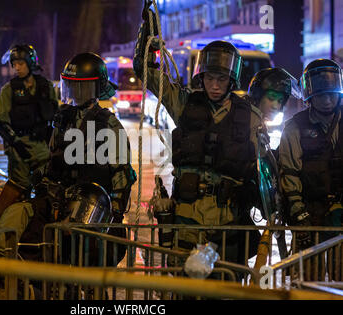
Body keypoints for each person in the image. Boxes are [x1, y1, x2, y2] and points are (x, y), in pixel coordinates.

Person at [133, 7, 262, 266]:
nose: (215, 85)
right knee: (184, 284)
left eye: (222, 79)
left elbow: (262, 169)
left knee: (225, 286)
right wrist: (147, 33)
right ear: (201, 77)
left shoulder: (250, 116)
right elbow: (146, 72)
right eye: (210, 77)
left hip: (227, 221)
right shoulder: (184, 104)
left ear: (231, 81)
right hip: (186, 217)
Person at [0, 52, 136, 266]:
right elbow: (51, 161)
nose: (76, 91)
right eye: (72, 85)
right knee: (15, 212)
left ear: (96, 88)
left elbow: (122, 174)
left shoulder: (108, 124)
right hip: (55, 198)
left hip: (88, 207)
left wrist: (114, 213)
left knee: (74, 254)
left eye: (82, 86)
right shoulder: (62, 120)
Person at [279, 59, 342, 250]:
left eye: (331, 94)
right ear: (310, 97)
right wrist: (298, 211)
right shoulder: (294, 126)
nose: (327, 101)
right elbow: (289, 172)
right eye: (321, 96)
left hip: (340, 214)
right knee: (306, 277)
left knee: (339, 277)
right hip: (309, 213)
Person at [247, 67, 302, 259]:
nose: (276, 106)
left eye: (280, 100)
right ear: (258, 95)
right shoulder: (246, 124)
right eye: (271, 98)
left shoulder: (258, 126)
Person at [0, 44, 58, 193]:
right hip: (19, 149)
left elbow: (56, 116)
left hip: (42, 148)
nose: (17, 68)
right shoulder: (9, 89)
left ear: (30, 64)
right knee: (19, 191)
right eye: (14, 64)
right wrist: (16, 145)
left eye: (21, 63)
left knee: (46, 190)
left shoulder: (46, 86)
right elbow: (1, 123)